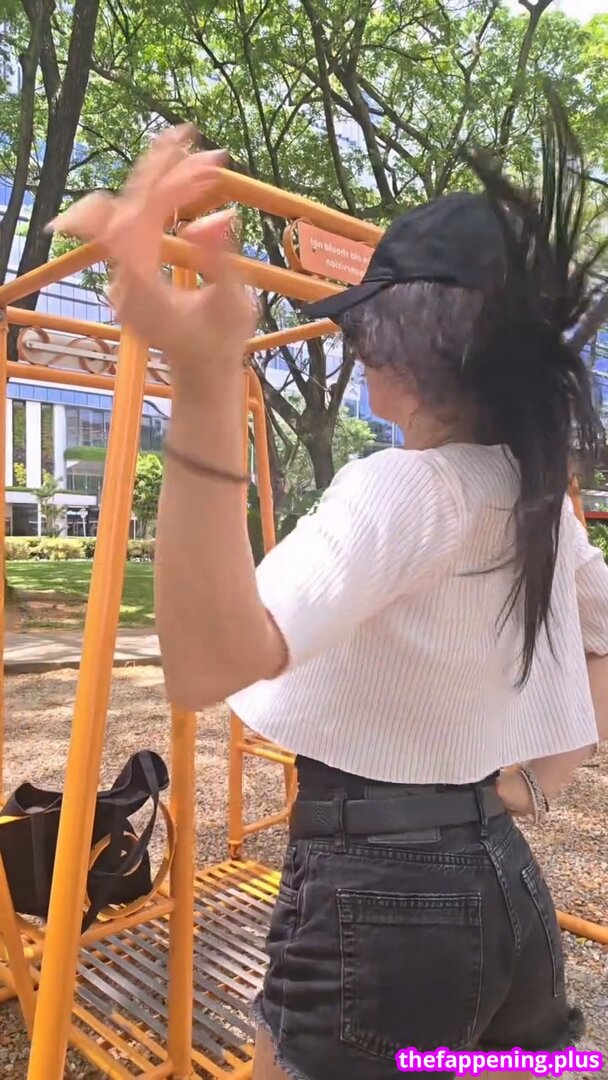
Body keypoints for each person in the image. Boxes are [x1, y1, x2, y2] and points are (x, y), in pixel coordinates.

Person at [52, 91, 608, 1080]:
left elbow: (209, 661)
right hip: (502, 884)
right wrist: (536, 782)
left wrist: (206, 380)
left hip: (376, 893)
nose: (355, 349)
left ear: (405, 342)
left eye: (364, 328)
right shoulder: (532, 499)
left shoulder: (404, 486)